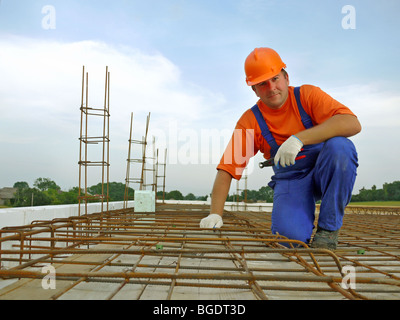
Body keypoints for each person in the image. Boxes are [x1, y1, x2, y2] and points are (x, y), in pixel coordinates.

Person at [200, 47, 361, 250]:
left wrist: (299, 139)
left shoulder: (308, 96)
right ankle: (297, 222)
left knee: (341, 148)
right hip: (292, 182)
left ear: (286, 77)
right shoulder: (251, 121)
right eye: (262, 84)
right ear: (254, 90)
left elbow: (351, 123)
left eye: (275, 79)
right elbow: (228, 168)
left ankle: (328, 231)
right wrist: (215, 212)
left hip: (324, 172)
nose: (271, 87)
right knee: (288, 241)